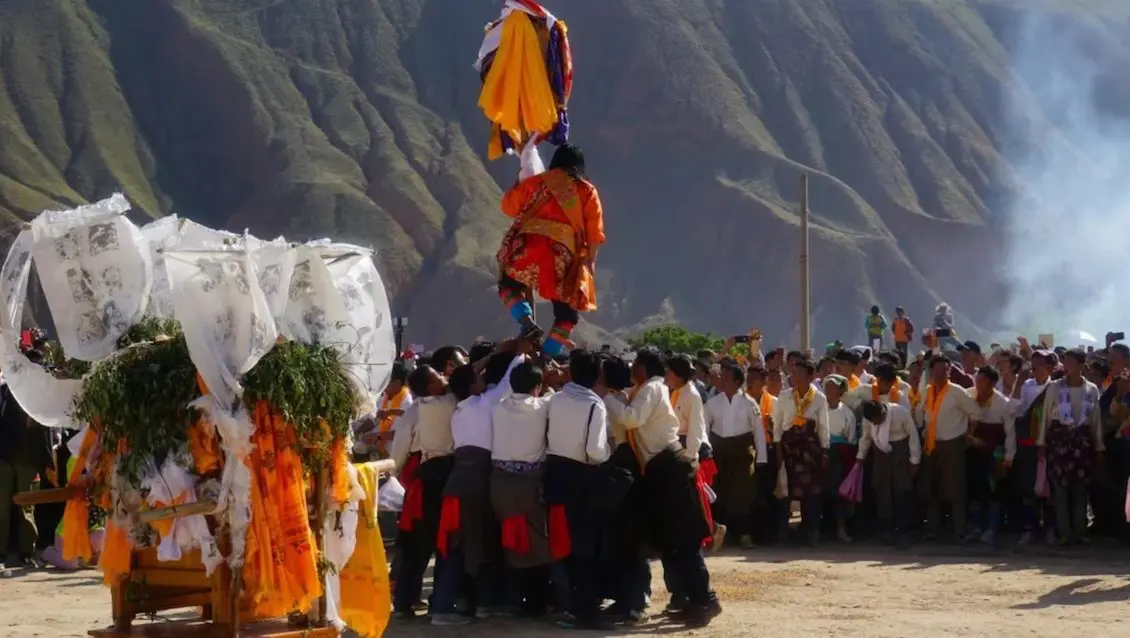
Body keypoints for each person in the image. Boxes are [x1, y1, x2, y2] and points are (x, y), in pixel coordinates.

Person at [430, 343, 526, 626]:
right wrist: (520, 353)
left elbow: (468, 376)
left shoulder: (460, 406)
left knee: (473, 544)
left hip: (462, 482)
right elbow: (509, 380)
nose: (483, 379)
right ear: (473, 386)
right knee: (463, 546)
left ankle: (481, 602)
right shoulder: (484, 404)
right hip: (474, 484)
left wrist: (495, 355)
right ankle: (443, 609)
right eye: (478, 378)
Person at [496, 144, 606, 357]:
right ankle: (546, 357)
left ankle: (526, 322)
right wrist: (589, 263)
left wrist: (519, 181)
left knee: (507, 285)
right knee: (567, 315)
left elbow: (509, 207)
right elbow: (595, 233)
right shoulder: (586, 191)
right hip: (561, 255)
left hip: (526, 248)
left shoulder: (537, 182)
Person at [545, 350, 612, 630]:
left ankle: (568, 603)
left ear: (570, 372)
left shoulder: (553, 400)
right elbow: (595, 452)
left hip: (554, 475)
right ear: (597, 376)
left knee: (561, 543)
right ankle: (586, 609)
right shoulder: (595, 405)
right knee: (585, 546)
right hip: (582, 479)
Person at [392, 364, 458, 619]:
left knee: (416, 546)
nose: (443, 378)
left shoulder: (414, 411)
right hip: (439, 477)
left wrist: (399, 474)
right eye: (438, 376)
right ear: (431, 386)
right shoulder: (450, 403)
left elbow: (399, 449)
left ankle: (404, 602)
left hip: (421, 477)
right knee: (442, 541)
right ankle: (438, 602)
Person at [490, 361, 556, 614]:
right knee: (537, 543)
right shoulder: (542, 407)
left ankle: (511, 599)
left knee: (509, 539)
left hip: (499, 483)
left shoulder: (497, 407)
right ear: (537, 387)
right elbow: (553, 399)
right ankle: (537, 602)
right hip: (529, 484)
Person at [1037, 349, 1104, 545]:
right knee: (1061, 490)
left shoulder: (1091, 389)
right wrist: (1042, 443)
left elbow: (1096, 420)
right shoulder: (1055, 388)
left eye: (1071, 362)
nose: (1067, 366)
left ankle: (1080, 531)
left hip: (1082, 444)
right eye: (1065, 362)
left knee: (1080, 490)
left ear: (1081, 366)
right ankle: (1064, 533)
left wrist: (1099, 447)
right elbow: (1046, 418)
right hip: (1060, 443)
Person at [704, 363, 766, 549]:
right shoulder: (713, 403)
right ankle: (720, 534)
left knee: (742, 493)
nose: (722, 381)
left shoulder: (749, 403)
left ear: (738, 382)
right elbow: (705, 429)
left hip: (741, 453)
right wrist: (705, 453)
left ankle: (744, 534)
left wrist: (761, 458)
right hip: (719, 452)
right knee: (720, 492)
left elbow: (758, 432)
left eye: (727, 378)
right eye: (721, 377)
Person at [917, 356, 979, 541]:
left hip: (952, 444)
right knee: (932, 488)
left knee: (956, 489)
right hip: (930, 444)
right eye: (937, 370)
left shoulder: (956, 391)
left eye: (945, 370)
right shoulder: (927, 391)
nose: (940, 374)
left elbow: (975, 413)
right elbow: (920, 413)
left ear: (949, 371)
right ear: (931, 371)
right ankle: (933, 530)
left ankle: (959, 530)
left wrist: (968, 435)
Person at [771, 358, 830, 546]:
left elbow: (823, 426)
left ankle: (811, 532)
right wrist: (778, 448)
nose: (794, 377)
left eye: (799, 373)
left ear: (811, 376)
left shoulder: (819, 398)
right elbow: (777, 424)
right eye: (793, 373)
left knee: (811, 491)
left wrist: (825, 450)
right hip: (789, 446)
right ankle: (782, 533)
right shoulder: (785, 396)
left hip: (810, 448)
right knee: (785, 490)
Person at [857, 400, 921, 546]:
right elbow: (866, 437)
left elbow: (913, 435)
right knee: (882, 491)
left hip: (901, 452)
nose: (877, 422)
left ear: (883, 412)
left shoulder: (900, 412)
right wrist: (860, 457)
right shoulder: (869, 420)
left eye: (879, 419)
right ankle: (887, 530)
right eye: (874, 421)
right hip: (880, 454)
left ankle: (903, 531)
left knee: (902, 491)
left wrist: (914, 460)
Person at [966, 366, 1014, 547]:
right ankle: (975, 527)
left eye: (982, 382)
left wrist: (1008, 456)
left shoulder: (1003, 403)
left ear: (992, 384)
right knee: (975, 490)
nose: (978, 385)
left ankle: (991, 529)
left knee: (994, 491)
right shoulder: (968, 395)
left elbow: (1010, 433)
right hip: (973, 451)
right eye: (976, 380)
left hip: (995, 453)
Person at [822, 375, 857, 542]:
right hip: (822, 452)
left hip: (839, 456)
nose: (830, 390)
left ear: (841, 390)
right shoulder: (819, 409)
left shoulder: (847, 412)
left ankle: (841, 530)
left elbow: (851, 439)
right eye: (827, 386)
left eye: (834, 387)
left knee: (838, 496)